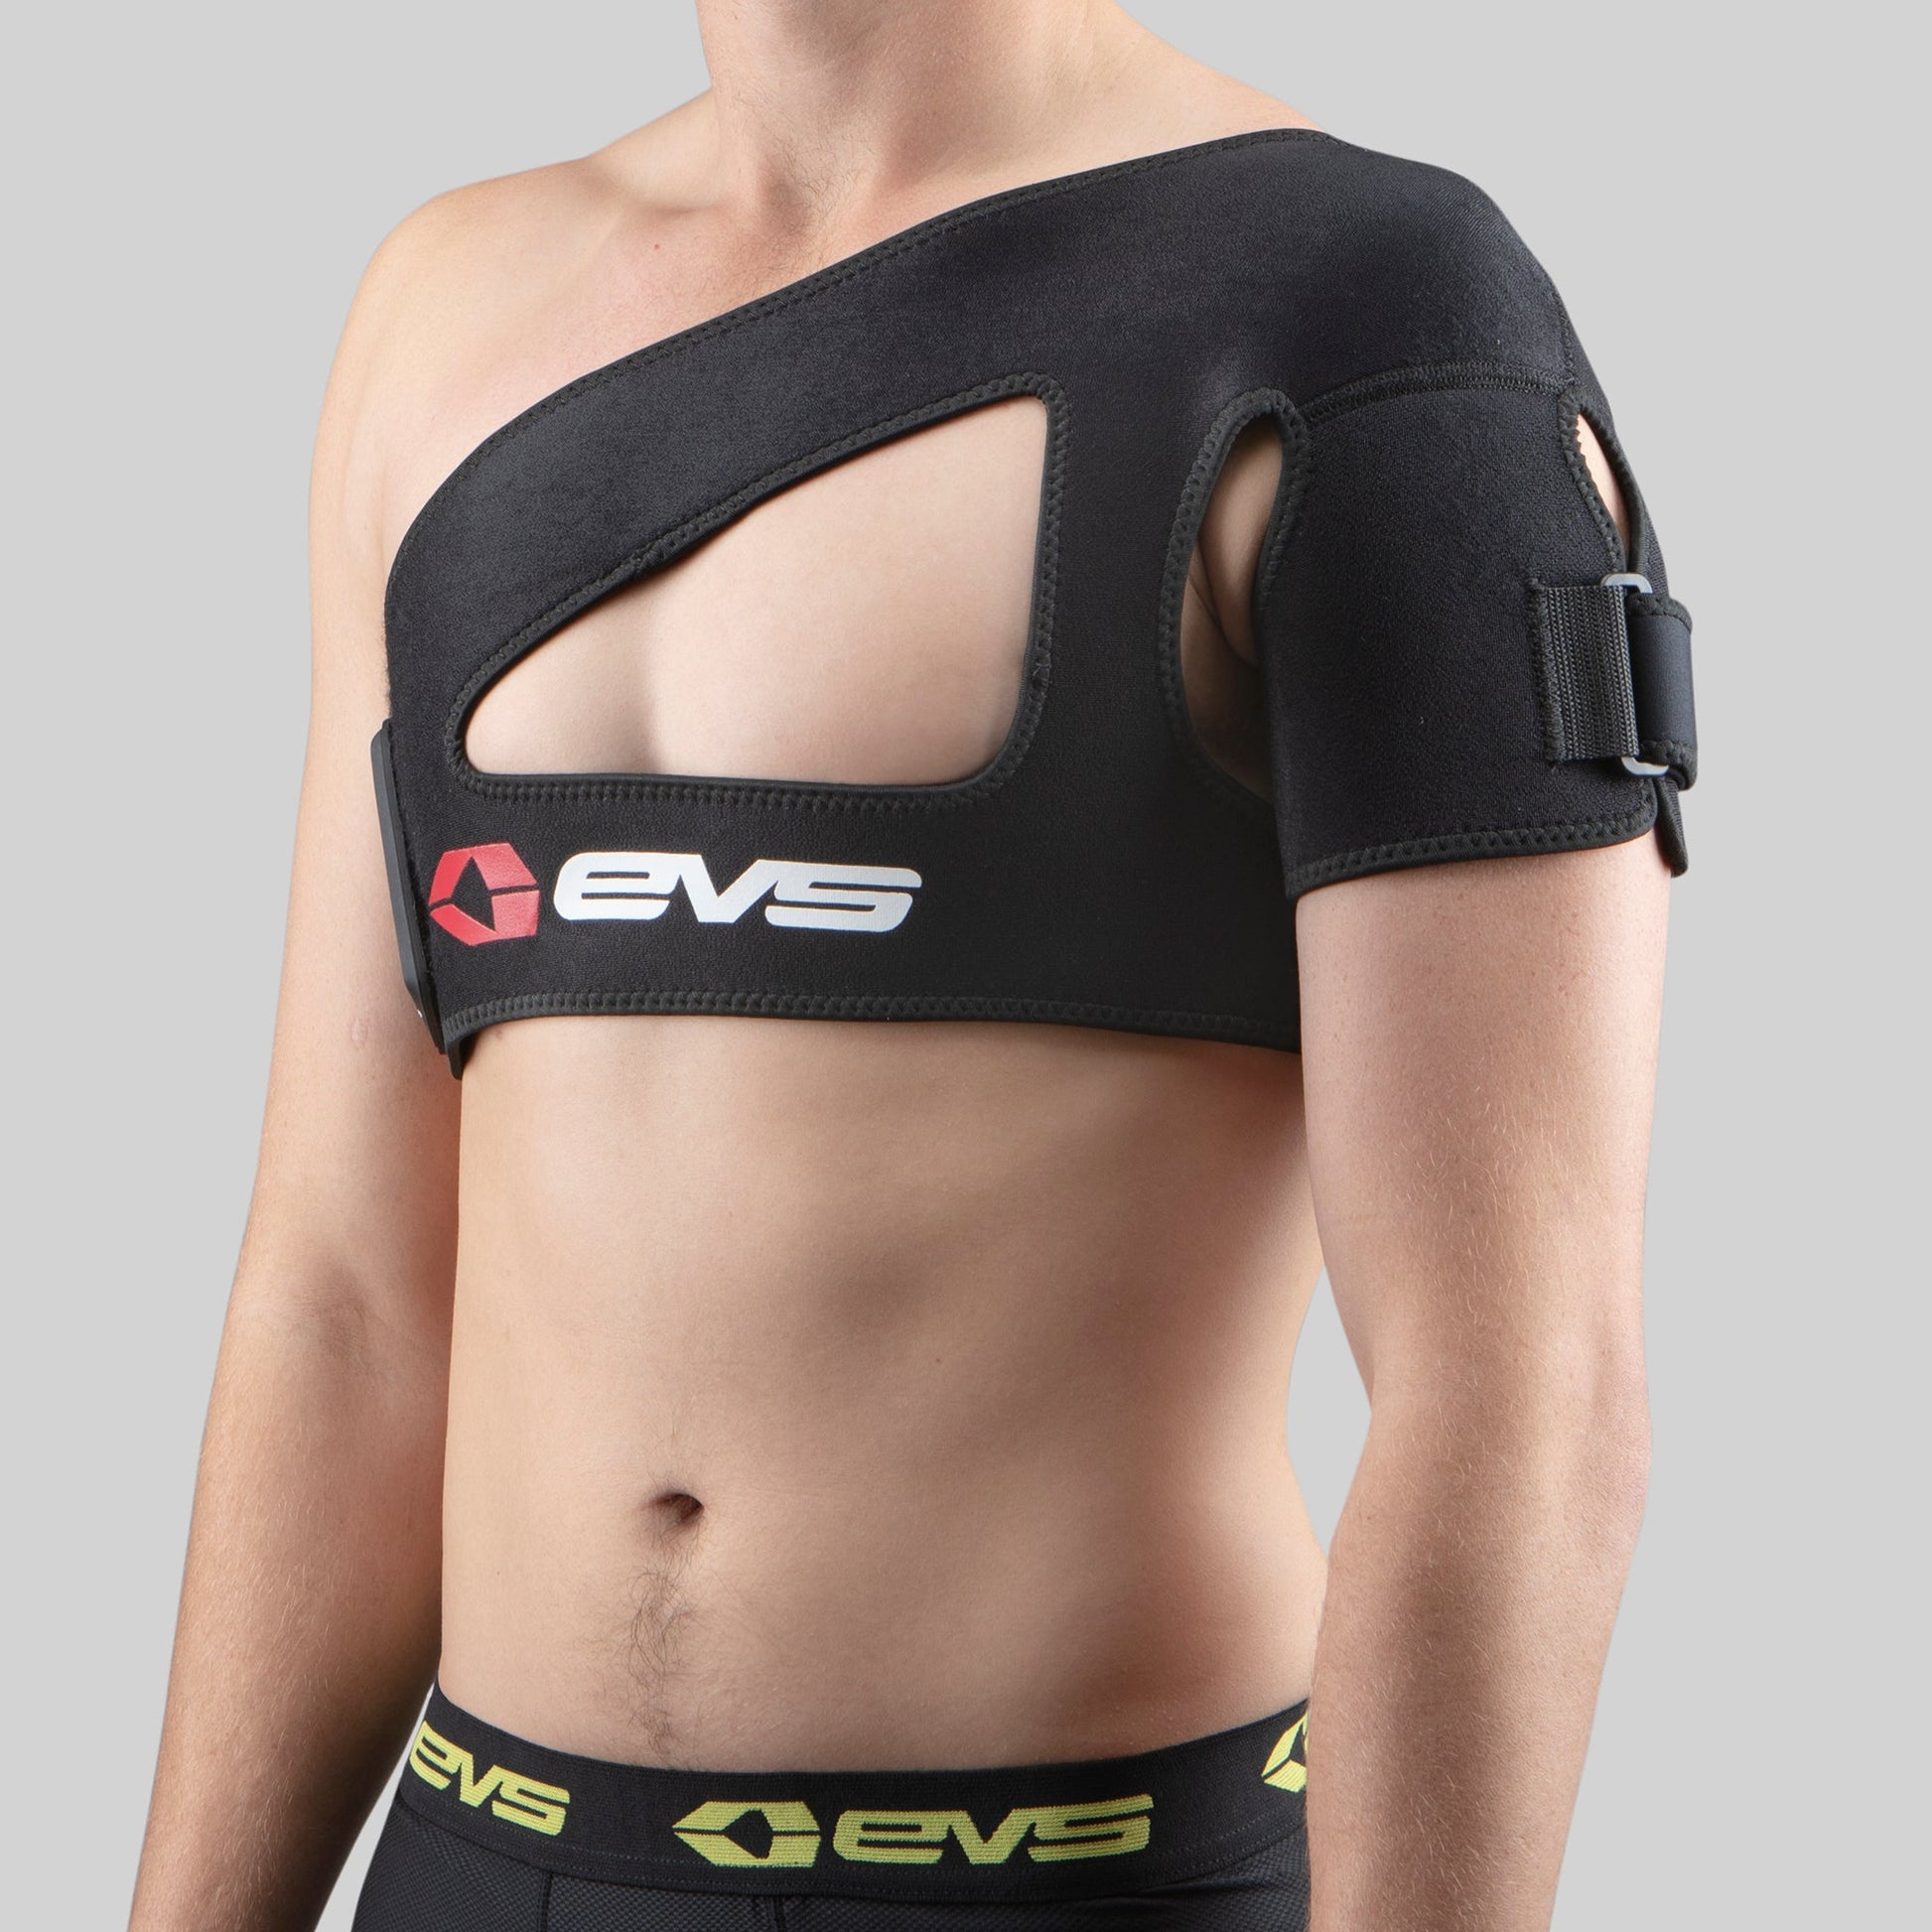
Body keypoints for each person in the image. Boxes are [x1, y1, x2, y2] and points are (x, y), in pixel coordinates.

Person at [129, 3, 1698, 1928]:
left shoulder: (1369, 315)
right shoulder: (444, 310)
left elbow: (1521, 1394)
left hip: (1076, 1878)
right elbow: (349, 1297)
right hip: (482, 1858)